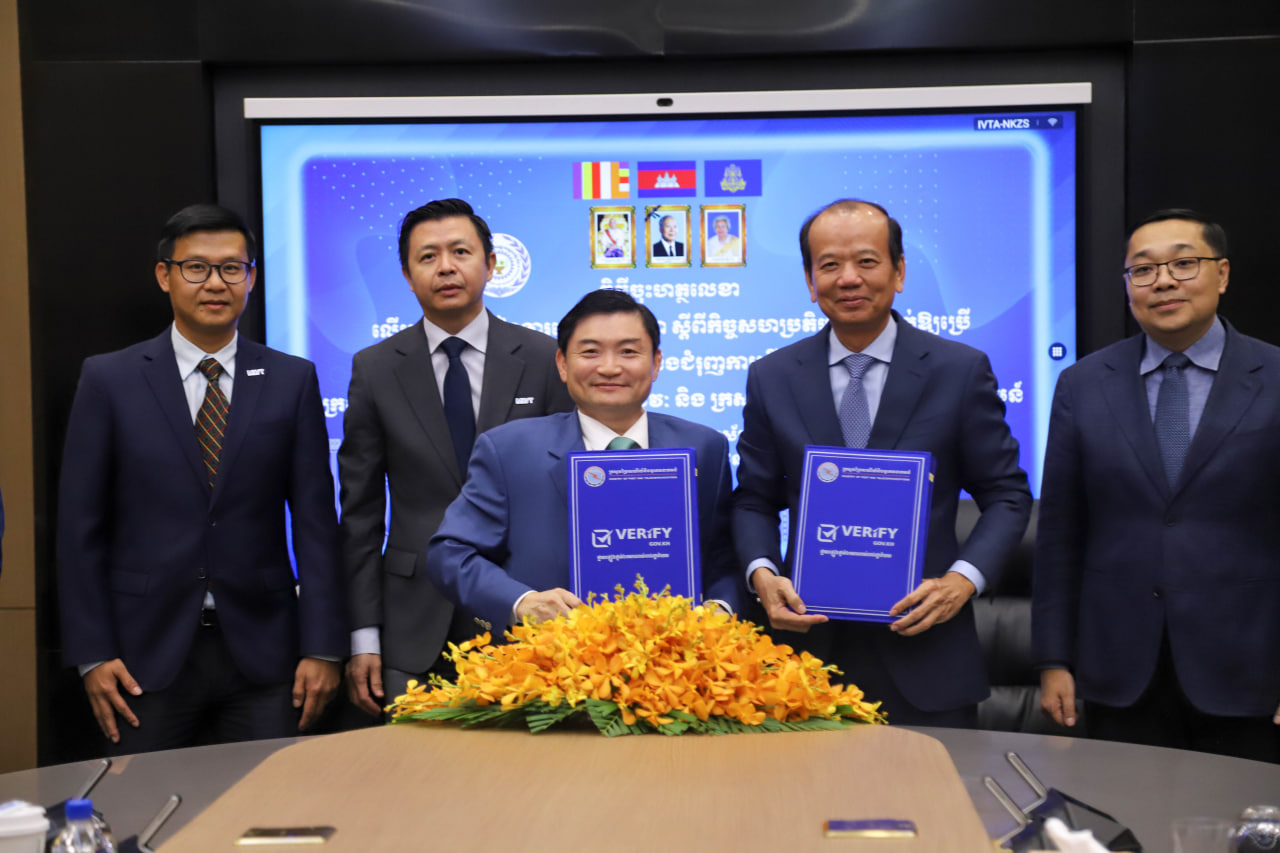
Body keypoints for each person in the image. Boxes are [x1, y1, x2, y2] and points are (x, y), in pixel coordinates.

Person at [57, 204, 346, 754]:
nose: (215, 283)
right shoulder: (110, 379)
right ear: (164, 275)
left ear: (251, 278)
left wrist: (324, 647)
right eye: (196, 267)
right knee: (147, 806)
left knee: (271, 804)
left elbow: (315, 524)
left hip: (267, 654)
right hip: (141, 654)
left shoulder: (291, 379)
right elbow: (79, 527)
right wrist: (92, 653)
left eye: (231, 268)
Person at [732, 198, 1031, 726]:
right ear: (810, 281)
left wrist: (962, 580)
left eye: (867, 261)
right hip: (808, 659)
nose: (848, 278)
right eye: (829, 264)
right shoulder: (772, 377)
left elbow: (1007, 495)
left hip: (927, 650)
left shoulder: (958, 371)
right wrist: (762, 574)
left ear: (899, 272)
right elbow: (754, 499)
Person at [1033, 209, 1280, 762]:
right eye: (1143, 270)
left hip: (1249, 669)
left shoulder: (1274, 377)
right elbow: (1060, 535)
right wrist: (1053, 659)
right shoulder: (1083, 384)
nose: (1163, 281)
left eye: (1183, 264)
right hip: (1118, 670)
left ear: (1222, 274)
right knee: (1122, 813)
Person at [339, 198, 573, 716]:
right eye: (428, 256)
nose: (446, 267)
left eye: (460, 252)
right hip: (412, 623)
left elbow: (566, 494)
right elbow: (359, 514)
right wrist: (364, 636)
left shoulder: (543, 358)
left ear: (491, 264)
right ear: (407, 276)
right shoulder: (376, 369)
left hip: (529, 610)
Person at [426, 289, 741, 632]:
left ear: (656, 363)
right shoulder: (508, 449)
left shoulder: (704, 448)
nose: (609, 367)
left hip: (675, 655)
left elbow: (724, 557)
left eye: (629, 351)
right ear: (562, 364)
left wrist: (720, 607)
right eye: (590, 352)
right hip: (551, 656)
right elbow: (451, 553)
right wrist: (522, 602)